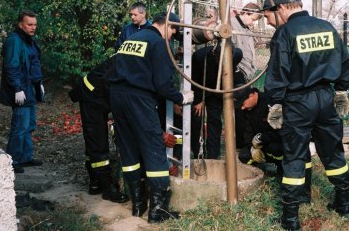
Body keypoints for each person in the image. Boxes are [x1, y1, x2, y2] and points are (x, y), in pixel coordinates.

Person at [264, 0, 349, 230]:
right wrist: (341, 89)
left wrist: (276, 103)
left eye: (276, 12)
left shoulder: (285, 33)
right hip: (326, 99)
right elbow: (346, 64)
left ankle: (291, 218)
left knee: (294, 154)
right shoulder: (327, 27)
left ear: (283, 8)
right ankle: (343, 203)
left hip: (297, 102)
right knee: (333, 150)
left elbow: (277, 73)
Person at [109, 12, 193, 223]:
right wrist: (181, 97)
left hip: (117, 97)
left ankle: (137, 205)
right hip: (139, 98)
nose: (172, 37)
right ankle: (157, 211)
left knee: (128, 149)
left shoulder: (130, 40)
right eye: (174, 32)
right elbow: (163, 84)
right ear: (168, 26)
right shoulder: (157, 43)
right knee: (154, 148)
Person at [68, 58, 129, 203]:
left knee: (95, 141)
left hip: (98, 93)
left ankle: (95, 182)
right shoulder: (129, 61)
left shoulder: (131, 57)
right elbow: (111, 86)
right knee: (97, 141)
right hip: (91, 95)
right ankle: (107, 188)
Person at [0, 10, 44, 174]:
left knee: (30, 124)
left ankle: (25, 157)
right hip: (21, 89)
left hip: (31, 88)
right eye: (29, 24)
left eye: (35, 25)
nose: (33, 28)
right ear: (21, 24)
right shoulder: (14, 41)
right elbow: (11, 66)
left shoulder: (29, 40)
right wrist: (17, 89)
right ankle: (13, 160)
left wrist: (39, 83)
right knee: (20, 125)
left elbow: (34, 63)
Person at [191, 44, 242, 159]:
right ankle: (198, 153)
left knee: (215, 121)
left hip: (218, 91)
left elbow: (236, 74)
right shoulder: (200, 57)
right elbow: (194, 80)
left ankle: (213, 156)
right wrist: (199, 100)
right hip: (201, 87)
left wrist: (236, 92)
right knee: (197, 120)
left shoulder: (237, 55)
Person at [233, 86, 283, 177]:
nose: (243, 108)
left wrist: (262, 138)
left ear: (252, 95)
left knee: (274, 148)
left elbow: (281, 133)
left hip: (275, 143)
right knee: (244, 156)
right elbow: (248, 132)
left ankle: (282, 169)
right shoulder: (248, 110)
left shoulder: (271, 103)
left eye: (243, 104)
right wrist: (252, 148)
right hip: (260, 144)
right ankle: (260, 171)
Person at [230, 2, 261, 149]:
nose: (253, 23)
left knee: (247, 109)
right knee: (241, 109)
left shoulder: (246, 28)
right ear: (246, 13)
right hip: (237, 74)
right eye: (253, 19)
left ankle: (245, 142)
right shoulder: (232, 25)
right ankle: (240, 145)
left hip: (248, 75)